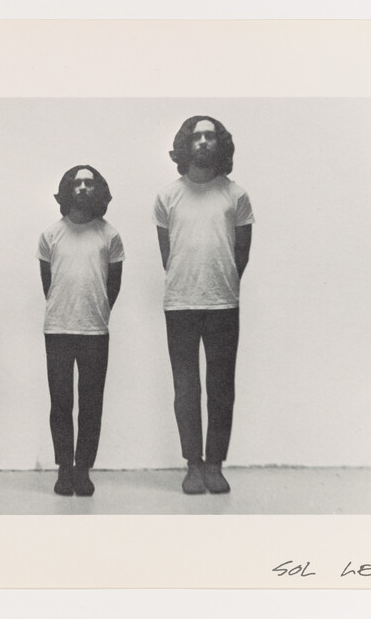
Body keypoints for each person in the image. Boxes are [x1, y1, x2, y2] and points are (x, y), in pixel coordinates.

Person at [154, 116, 255, 495]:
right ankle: (192, 465)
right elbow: (169, 255)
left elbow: (240, 254)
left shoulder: (236, 195)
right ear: (185, 144)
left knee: (221, 386)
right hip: (180, 303)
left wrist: (221, 283)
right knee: (186, 387)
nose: (203, 142)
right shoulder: (168, 196)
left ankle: (215, 464)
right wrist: (189, 280)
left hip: (223, 303)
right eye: (196, 136)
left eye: (210, 136)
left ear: (220, 144)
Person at [37, 165, 124, 497]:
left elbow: (112, 286)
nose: (84, 188)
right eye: (77, 183)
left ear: (98, 189)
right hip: (58, 329)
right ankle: (63, 470)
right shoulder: (50, 235)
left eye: (90, 183)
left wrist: (96, 311)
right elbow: (49, 285)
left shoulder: (109, 235)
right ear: (67, 190)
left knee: (91, 403)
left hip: (95, 331)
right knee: (60, 403)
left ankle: (83, 470)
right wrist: (66, 308)